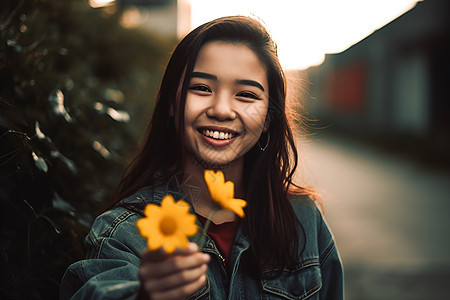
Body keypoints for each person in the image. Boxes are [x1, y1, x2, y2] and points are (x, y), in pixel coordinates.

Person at [60, 16, 343, 300]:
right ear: (172, 103)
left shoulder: (302, 218)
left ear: (269, 117)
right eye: (202, 88)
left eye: (245, 94)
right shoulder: (124, 233)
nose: (221, 110)